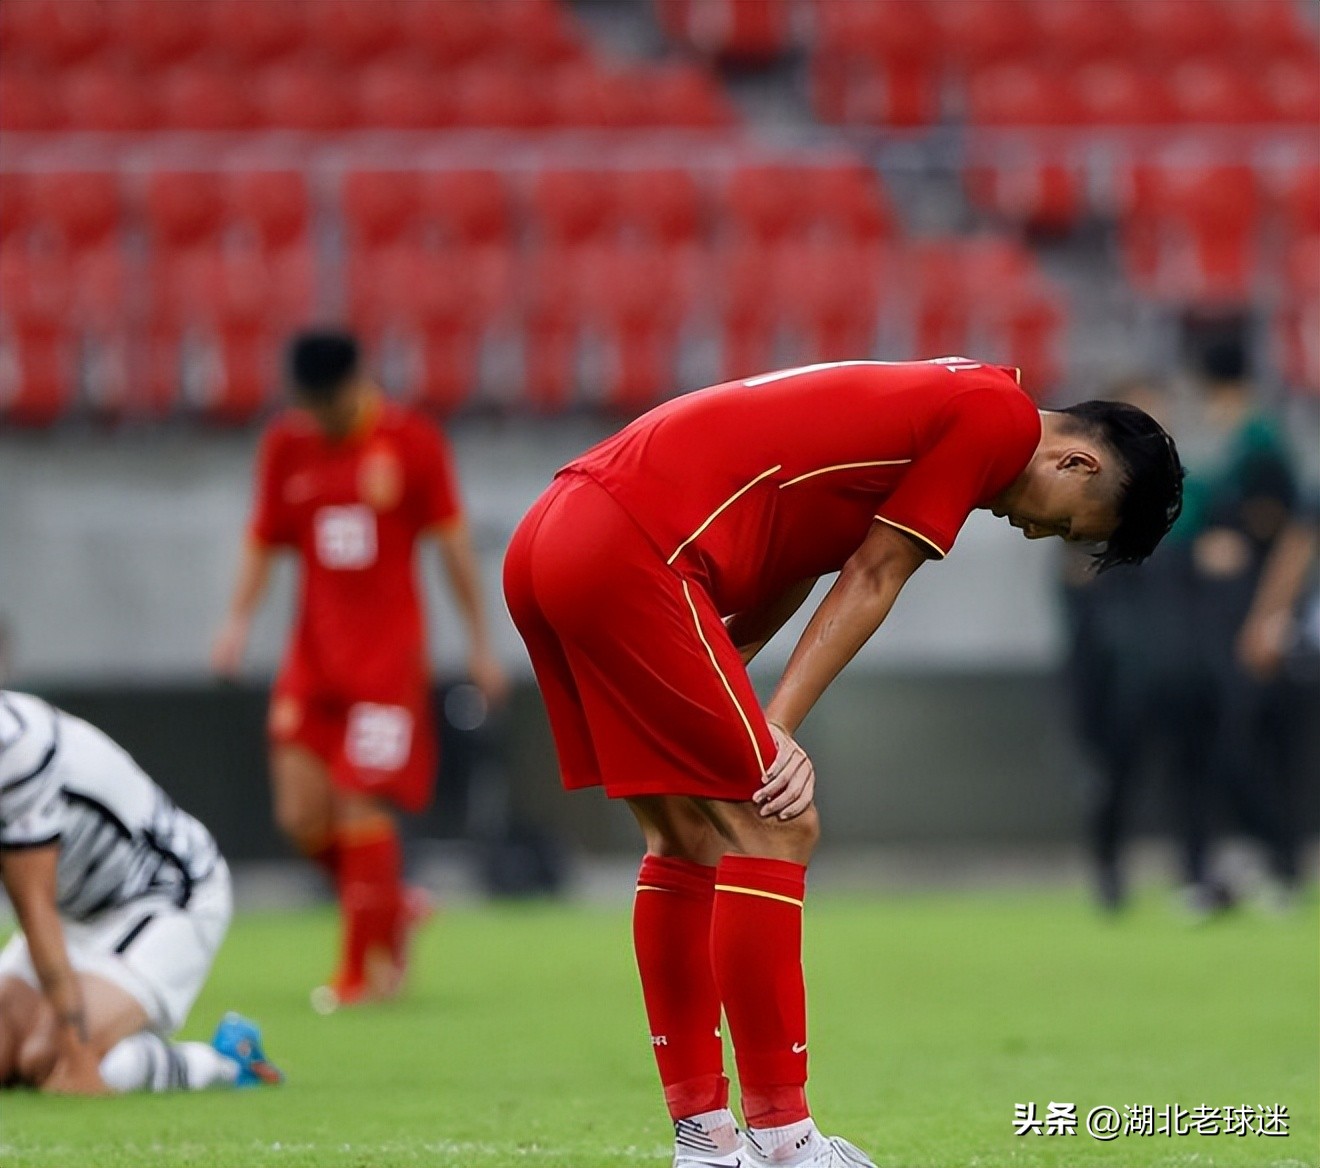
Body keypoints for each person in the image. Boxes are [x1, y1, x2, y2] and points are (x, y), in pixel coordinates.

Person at [502, 357, 1184, 1168]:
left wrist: (731, 685)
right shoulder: (996, 421)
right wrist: (778, 726)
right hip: (632, 544)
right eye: (1070, 523)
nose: (1039, 533)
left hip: (557, 533)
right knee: (776, 822)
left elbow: (798, 549)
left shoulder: (952, 398)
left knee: (684, 833)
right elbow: (874, 572)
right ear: (1080, 462)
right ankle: (785, 1140)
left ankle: (706, 1141)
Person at [212, 330, 507, 1009]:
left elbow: (453, 546)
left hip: (386, 666)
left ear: (357, 383)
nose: (317, 417)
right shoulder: (288, 443)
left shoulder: (411, 443)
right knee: (299, 811)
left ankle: (360, 972)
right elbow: (263, 537)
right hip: (311, 661)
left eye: (327, 403)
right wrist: (235, 623)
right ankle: (393, 907)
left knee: (357, 800)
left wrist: (480, 644)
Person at [0, 690, 281, 1094]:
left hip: (164, 898)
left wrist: (78, 1054)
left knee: (50, 1058)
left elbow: (34, 907)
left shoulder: (17, 750)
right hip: (75, 909)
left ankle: (223, 1061)